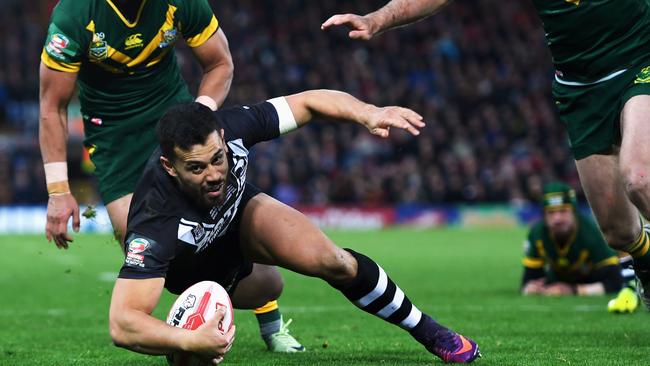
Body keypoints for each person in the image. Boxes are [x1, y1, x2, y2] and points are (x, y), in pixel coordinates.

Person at [108, 89, 481, 364]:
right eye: (196, 168)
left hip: (239, 217)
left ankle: (430, 331)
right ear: (170, 167)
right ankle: (233, 313)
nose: (213, 175)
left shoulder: (233, 126)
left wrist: (366, 112)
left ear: (222, 139)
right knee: (257, 295)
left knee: (333, 260)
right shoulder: (155, 219)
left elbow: (308, 102)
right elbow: (123, 324)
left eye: (218, 159)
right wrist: (186, 341)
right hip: (194, 270)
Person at [322, 0, 650, 311]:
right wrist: (377, 19)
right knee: (619, 233)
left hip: (640, 58)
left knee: (638, 178)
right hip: (581, 90)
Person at [39, 0, 302, 353]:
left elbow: (220, 62)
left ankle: (270, 323)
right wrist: (58, 190)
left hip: (177, 130)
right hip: (117, 144)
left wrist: (200, 117)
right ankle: (203, 324)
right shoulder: (74, 15)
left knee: (232, 243)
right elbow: (52, 105)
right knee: (163, 259)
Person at [521, 182, 638, 313]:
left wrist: (574, 290)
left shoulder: (592, 233)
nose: (557, 219)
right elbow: (529, 278)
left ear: (574, 211)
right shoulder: (537, 234)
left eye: (563, 211)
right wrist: (531, 287)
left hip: (592, 279)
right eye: (551, 213)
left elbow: (615, 282)